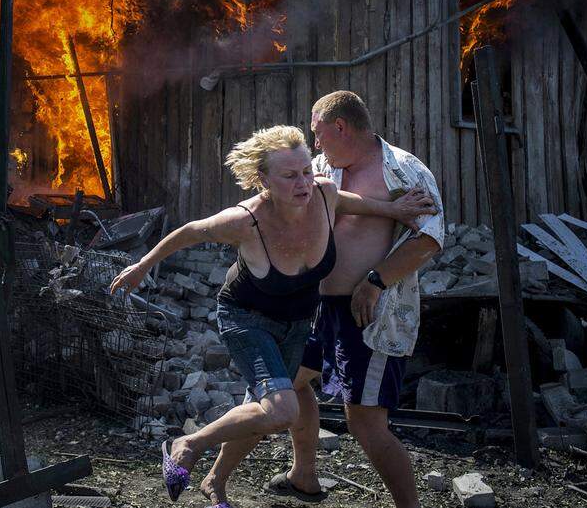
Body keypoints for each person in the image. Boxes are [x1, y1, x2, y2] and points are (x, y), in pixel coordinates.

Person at [110, 125, 436, 507]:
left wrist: (393, 209)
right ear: (263, 179)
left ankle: (293, 476)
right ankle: (187, 443)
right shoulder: (244, 220)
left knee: (288, 394)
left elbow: (351, 201)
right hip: (247, 319)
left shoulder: (324, 194)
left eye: (305, 172)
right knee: (281, 409)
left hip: (299, 321)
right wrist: (141, 266)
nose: (304, 183)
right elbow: (188, 232)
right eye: (289, 176)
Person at [264, 91, 445, 508]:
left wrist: (375, 281)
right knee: (290, 382)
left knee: (364, 422)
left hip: (369, 313)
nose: (316, 144)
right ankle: (304, 475)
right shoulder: (324, 167)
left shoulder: (404, 170)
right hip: (314, 307)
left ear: (340, 127)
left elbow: (432, 238)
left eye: (319, 134)